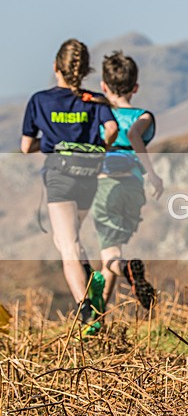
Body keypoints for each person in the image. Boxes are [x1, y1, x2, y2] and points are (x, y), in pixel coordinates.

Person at [21, 38, 119, 337]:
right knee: (67, 239)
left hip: (60, 177)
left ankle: (87, 313)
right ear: (85, 70)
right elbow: (112, 129)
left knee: (68, 245)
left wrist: (51, 143)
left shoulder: (40, 100)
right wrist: (101, 147)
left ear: (55, 66)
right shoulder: (94, 101)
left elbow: (26, 146)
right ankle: (90, 277)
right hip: (88, 175)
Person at [93, 51, 162, 311]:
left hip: (105, 187)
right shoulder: (144, 116)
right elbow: (136, 133)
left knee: (111, 256)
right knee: (112, 250)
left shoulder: (101, 115)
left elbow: (132, 135)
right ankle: (98, 316)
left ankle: (126, 269)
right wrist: (152, 175)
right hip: (133, 187)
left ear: (104, 85)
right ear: (135, 88)